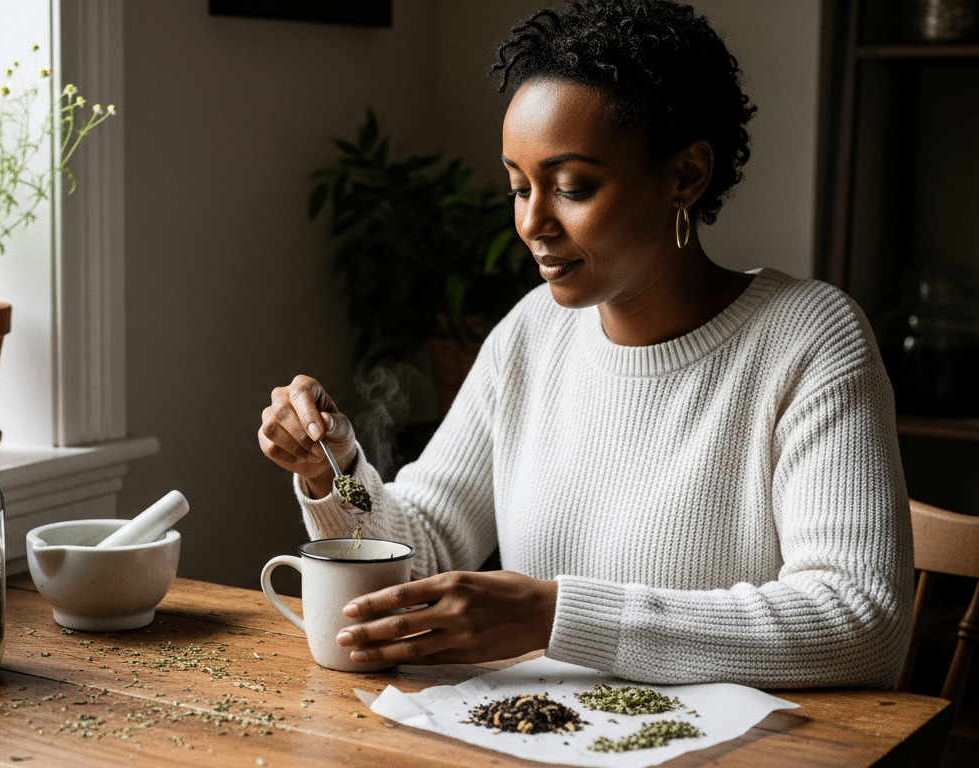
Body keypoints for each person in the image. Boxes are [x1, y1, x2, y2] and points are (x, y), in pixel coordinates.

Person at [257, 0, 911, 688]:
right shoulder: (532, 333)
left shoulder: (808, 340)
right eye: (518, 187)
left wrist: (554, 616)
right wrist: (331, 471)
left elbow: (859, 621)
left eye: (572, 187)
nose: (533, 223)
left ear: (685, 175)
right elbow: (420, 553)